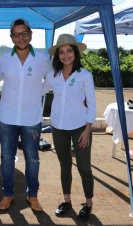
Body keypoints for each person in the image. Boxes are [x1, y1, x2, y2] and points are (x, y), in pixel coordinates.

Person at [0, 18, 52, 211]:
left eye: (24, 33)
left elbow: (51, 80)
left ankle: (32, 196)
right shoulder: (4, 59)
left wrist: (38, 92)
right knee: (7, 158)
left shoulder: (42, 58)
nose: (21, 37)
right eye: (16, 34)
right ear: (11, 37)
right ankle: (7, 195)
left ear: (31, 34)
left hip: (32, 118)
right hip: (7, 117)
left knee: (33, 159)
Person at [44, 33, 96, 221]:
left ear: (75, 52)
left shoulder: (85, 75)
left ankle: (88, 203)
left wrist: (88, 129)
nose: (65, 55)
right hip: (58, 127)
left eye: (69, 51)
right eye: (61, 52)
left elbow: (92, 104)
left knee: (84, 167)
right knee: (64, 165)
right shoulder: (53, 75)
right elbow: (39, 91)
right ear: (57, 55)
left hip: (81, 127)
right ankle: (67, 200)